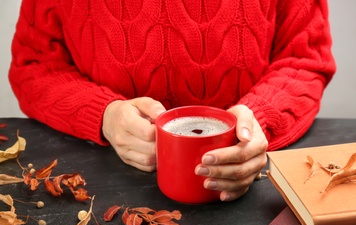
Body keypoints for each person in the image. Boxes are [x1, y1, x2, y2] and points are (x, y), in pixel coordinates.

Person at [8, 0, 336, 202]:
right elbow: (33, 65)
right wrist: (104, 115)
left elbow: (304, 58)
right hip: (102, 186)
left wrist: (257, 119)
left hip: (245, 191)